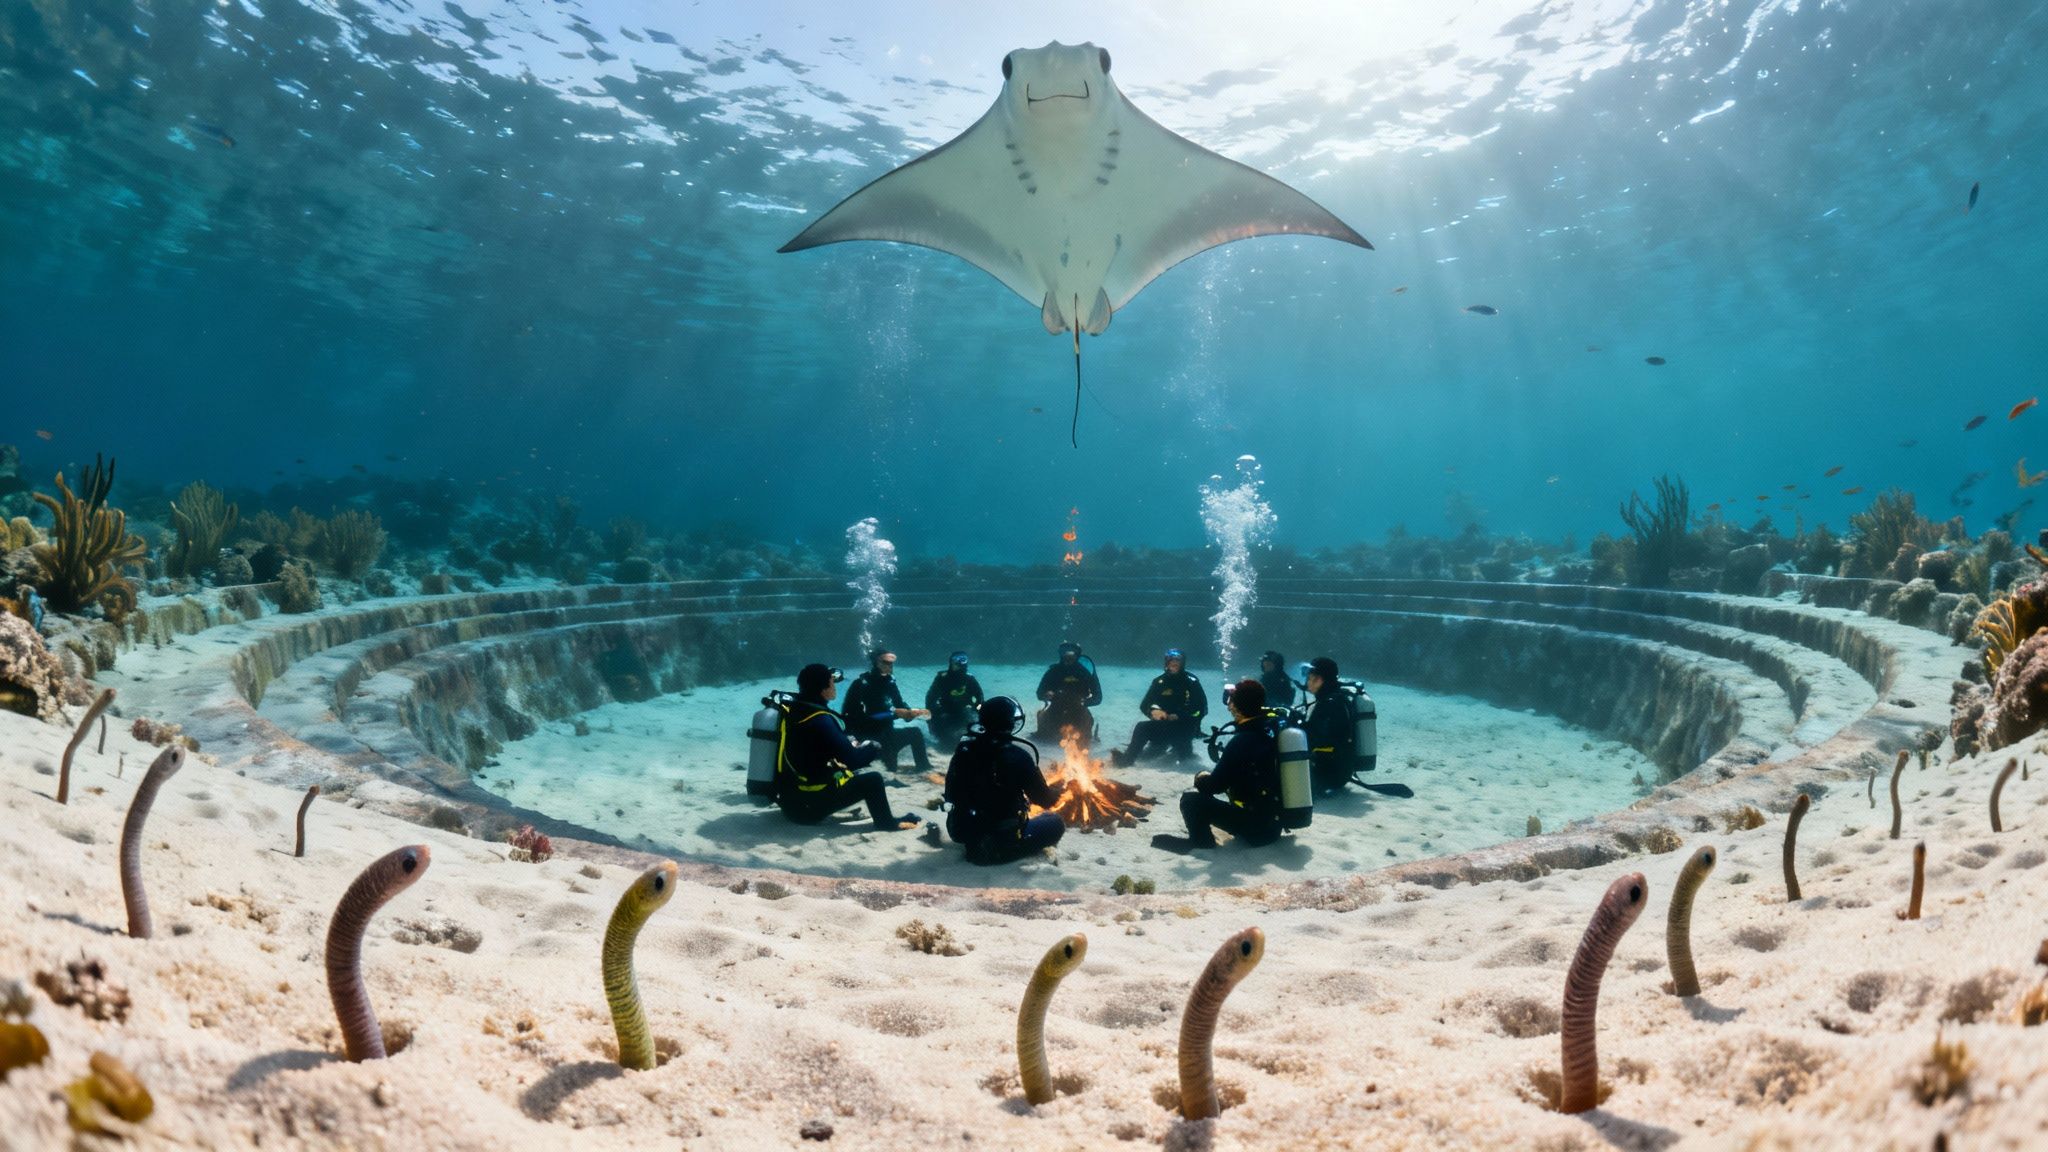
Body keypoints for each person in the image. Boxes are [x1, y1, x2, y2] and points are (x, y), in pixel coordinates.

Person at [775, 664, 922, 832]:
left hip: (790, 803)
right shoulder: (821, 719)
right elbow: (853, 760)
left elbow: (812, 746)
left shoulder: (794, 710)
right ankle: (887, 823)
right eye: (831, 682)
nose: (834, 686)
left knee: (845, 773)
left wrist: (845, 743)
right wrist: (872, 747)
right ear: (823, 690)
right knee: (873, 779)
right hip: (809, 810)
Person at [1151, 678, 1282, 853]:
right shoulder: (1272, 728)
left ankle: (1201, 843)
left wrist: (1201, 777)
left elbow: (1213, 787)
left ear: (1237, 706)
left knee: (1191, 800)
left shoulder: (1242, 741)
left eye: (1230, 702)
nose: (1228, 707)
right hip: (1274, 826)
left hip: (1256, 830)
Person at [943, 697, 1066, 865]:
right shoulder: (1018, 756)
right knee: (1054, 821)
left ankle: (980, 841)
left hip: (962, 832)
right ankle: (999, 848)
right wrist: (1059, 790)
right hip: (1000, 843)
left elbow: (952, 790)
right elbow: (1044, 799)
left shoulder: (964, 749)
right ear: (1010, 723)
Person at [1111, 647, 1208, 766]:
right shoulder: (1159, 682)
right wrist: (1153, 711)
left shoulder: (1191, 682)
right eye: (1171, 661)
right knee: (1141, 727)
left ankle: (1181, 751)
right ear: (1166, 662)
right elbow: (1145, 705)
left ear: (1182, 663)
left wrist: (1179, 716)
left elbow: (1201, 709)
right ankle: (1127, 759)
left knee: (1184, 758)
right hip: (1163, 725)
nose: (1174, 664)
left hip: (1185, 728)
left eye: (1177, 661)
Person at [843, 648, 933, 773]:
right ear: (876, 663)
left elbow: (899, 704)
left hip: (888, 733)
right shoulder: (860, 685)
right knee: (890, 768)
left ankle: (924, 767)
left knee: (916, 733)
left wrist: (910, 713)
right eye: (885, 662)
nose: (890, 665)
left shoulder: (890, 683)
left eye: (891, 662)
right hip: (869, 738)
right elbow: (856, 718)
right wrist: (894, 713)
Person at [1301, 656, 1357, 796]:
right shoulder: (1335, 698)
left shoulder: (1330, 704)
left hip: (1329, 775)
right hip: (1338, 771)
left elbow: (1316, 739)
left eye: (1310, 677)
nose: (1308, 682)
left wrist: (1297, 729)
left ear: (1320, 680)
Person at [1034, 640, 1103, 742]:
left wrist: (1084, 702)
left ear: (1077, 655)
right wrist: (1046, 694)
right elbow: (1039, 693)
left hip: (1079, 711)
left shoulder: (1085, 673)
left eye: (1071, 656)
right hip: (1056, 710)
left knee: (1083, 738)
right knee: (1045, 736)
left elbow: (1098, 697)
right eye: (1065, 655)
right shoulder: (1053, 672)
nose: (1068, 659)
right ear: (1061, 655)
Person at [924, 650, 985, 748]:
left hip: (965, 710)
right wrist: (932, 714)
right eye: (955, 661)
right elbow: (930, 698)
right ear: (950, 663)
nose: (958, 665)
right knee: (946, 742)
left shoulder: (969, 679)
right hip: (946, 711)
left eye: (963, 660)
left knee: (975, 732)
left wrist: (977, 710)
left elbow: (980, 699)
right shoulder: (942, 678)